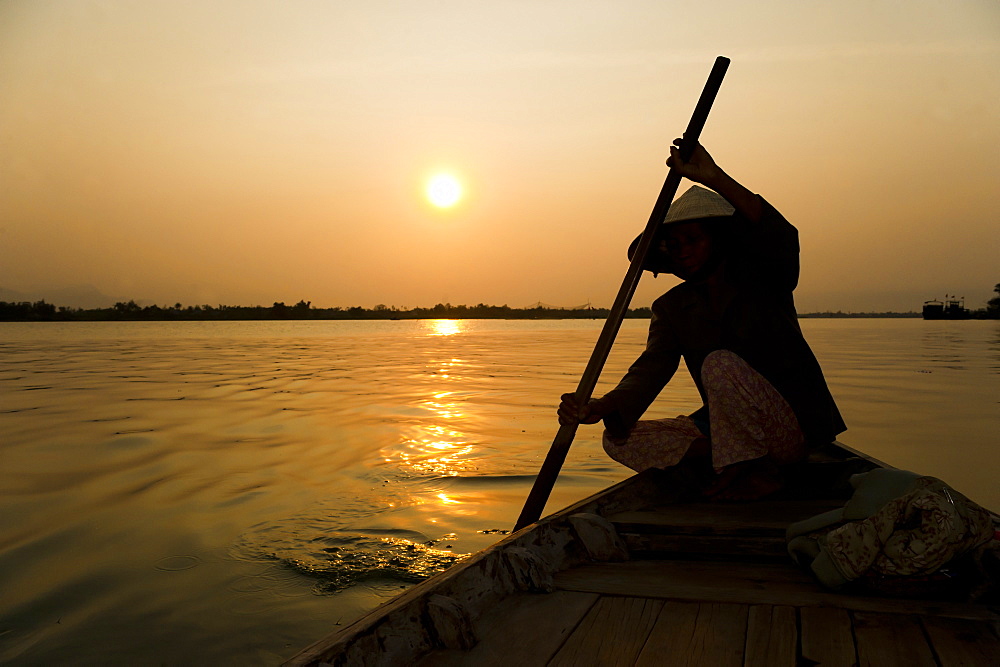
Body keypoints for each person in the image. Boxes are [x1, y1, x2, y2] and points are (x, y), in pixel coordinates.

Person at [557, 140, 846, 500]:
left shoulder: (764, 279)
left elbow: (780, 235)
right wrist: (600, 406)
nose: (683, 252)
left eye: (693, 240)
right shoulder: (672, 307)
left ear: (720, 242)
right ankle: (738, 462)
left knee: (719, 365)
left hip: (791, 428)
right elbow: (651, 369)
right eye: (674, 245)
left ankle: (754, 469)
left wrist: (714, 176)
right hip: (728, 432)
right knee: (620, 439)